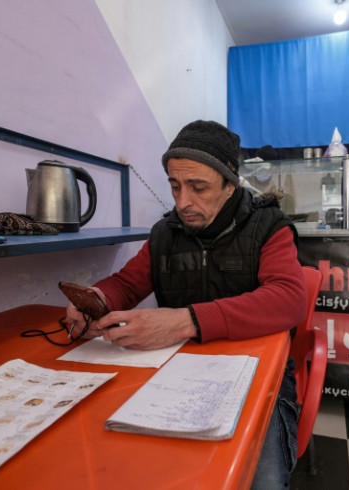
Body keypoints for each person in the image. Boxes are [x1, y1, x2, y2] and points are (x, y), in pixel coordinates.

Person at [65, 120, 307, 488]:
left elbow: (288, 300)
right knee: (128, 465)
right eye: (175, 186)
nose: (182, 203)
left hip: (258, 376)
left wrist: (184, 322)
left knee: (261, 482)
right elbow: (127, 284)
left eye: (198, 188)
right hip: (177, 374)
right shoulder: (166, 234)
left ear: (230, 184)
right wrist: (97, 299)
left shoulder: (268, 226)